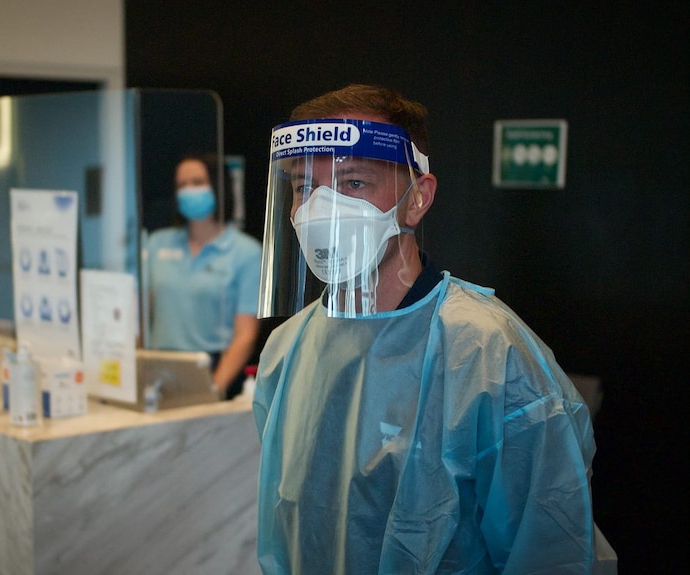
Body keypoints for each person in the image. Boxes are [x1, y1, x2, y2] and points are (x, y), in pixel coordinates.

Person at [253, 85, 616, 573]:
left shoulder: (488, 354)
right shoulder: (288, 348)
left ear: (417, 198)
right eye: (304, 187)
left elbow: (551, 549)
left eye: (354, 183)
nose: (321, 209)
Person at [146, 152, 262, 400]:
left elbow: (246, 335)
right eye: (182, 185)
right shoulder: (157, 244)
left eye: (197, 183)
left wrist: (214, 388)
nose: (188, 191)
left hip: (214, 369)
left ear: (218, 186)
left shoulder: (245, 252)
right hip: (158, 368)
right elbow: (141, 315)